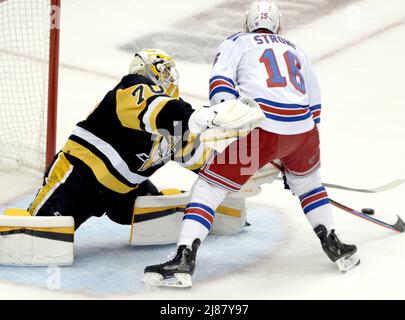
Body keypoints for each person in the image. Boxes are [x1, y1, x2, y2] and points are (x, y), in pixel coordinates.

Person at [143, 1, 359, 289]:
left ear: (246, 23)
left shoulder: (237, 41)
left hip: (261, 129)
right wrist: (291, 152)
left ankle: (183, 259)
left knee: (209, 187)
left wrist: (230, 122)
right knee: (309, 186)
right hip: (304, 131)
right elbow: (315, 102)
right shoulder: (295, 48)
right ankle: (335, 245)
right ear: (279, 26)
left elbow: (221, 85)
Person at [27, 48, 262, 230]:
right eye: (166, 70)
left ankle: (190, 213)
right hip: (77, 181)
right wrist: (206, 116)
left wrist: (243, 172)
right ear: (153, 71)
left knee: (154, 210)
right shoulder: (130, 91)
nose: (171, 77)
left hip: (123, 194)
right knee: (39, 234)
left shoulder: (176, 124)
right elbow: (164, 110)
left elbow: (199, 159)